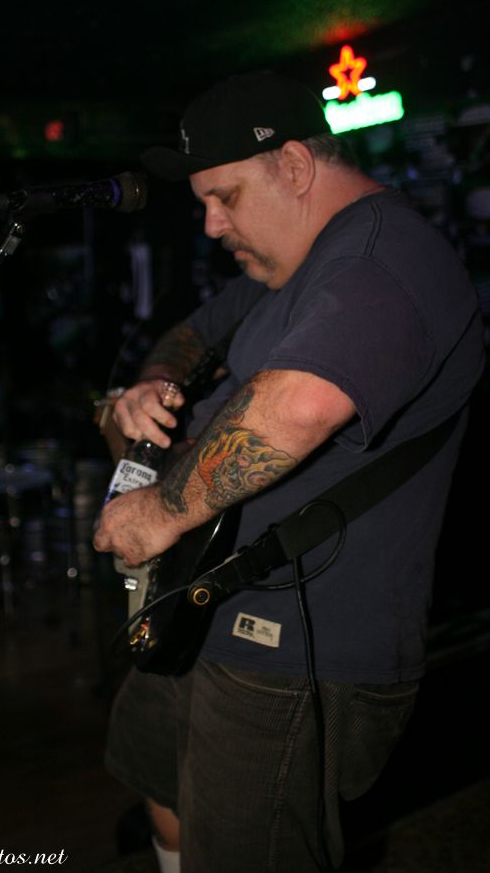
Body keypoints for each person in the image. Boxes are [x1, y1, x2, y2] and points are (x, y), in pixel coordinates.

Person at [93, 71, 484, 873]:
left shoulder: (382, 257)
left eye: (225, 197)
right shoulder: (289, 267)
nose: (211, 224)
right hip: (199, 603)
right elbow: (191, 333)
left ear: (296, 167)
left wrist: (160, 511)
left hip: (293, 643)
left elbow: (300, 406)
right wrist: (152, 384)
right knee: (156, 777)